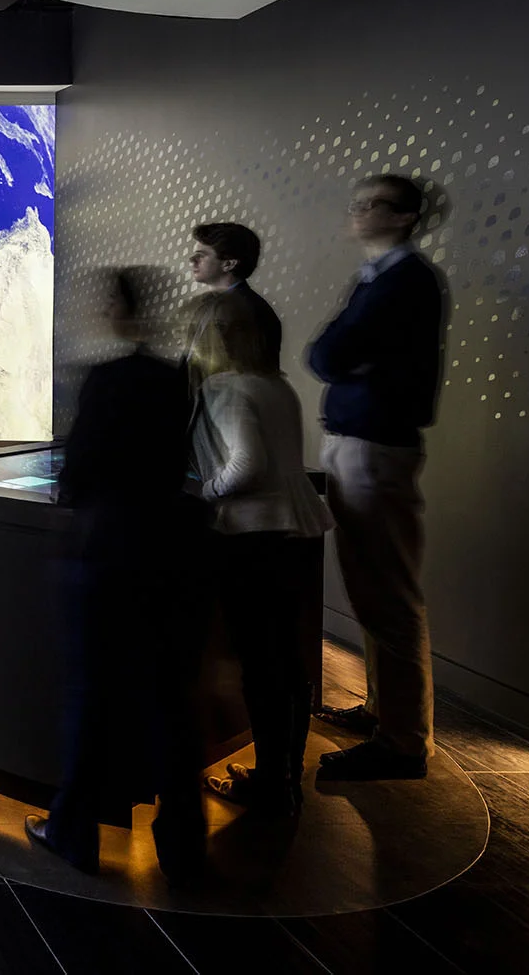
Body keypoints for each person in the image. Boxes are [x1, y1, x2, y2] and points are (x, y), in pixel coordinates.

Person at [26, 267, 206, 882]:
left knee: (91, 695)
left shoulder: (105, 381)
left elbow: (79, 471)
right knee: (169, 702)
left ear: (119, 311)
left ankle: (74, 832)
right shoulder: (176, 379)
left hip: (107, 556)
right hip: (170, 555)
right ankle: (184, 845)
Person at [307, 174, 446, 781]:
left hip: (372, 448)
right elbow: (332, 353)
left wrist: (341, 354)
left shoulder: (403, 281)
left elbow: (328, 355)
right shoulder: (383, 279)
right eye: (357, 202)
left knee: (386, 594)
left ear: (406, 216)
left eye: (372, 205)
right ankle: (384, 713)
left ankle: (403, 742)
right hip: (361, 444)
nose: (358, 213)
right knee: (372, 591)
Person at [193, 293, 332, 816]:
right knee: (289, 668)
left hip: (252, 542)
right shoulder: (278, 387)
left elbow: (246, 465)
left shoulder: (224, 388)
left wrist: (206, 492)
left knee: (260, 669)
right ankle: (285, 777)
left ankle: (272, 787)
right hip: (296, 536)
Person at [183, 222, 283, 382]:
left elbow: (249, 378)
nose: (192, 260)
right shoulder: (205, 305)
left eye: (201, 256)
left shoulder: (250, 312)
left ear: (229, 264)